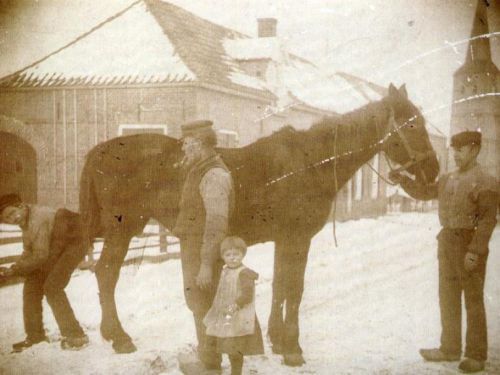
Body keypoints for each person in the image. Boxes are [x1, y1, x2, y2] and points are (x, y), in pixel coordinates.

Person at [389, 130, 498, 373]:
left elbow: (488, 221)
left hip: (469, 243)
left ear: (475, 149)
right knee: (447, 296)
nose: (456, 154)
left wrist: (475, 251)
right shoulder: (448, 179)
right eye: (454, 149)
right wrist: (403, 179)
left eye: (461, 149)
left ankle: (476, 354)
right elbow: (425, 192)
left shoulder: (487, 182)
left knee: (473, 299)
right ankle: (449, 348)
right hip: (447, 241)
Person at [172, 120, 234, 372]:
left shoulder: (214, 175)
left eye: (187, 145)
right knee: (199, 304)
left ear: (199, 144)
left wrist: (207, 264)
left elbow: (217, 223)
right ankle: (208, 359)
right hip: (195, 250)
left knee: (205, 305)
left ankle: (210, 366)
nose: (184, 150)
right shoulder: (200, 169)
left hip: (203, 252)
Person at [0, 193, 89, 352]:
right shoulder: (26, 222)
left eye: (12, 213)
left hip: (73, 242)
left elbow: (40, 255)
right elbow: (29, 252)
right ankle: (35, 336)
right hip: (55, 248)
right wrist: (13, 269)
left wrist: (15, 270)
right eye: (7, 219)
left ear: (21, 206)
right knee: (32, 286)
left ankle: (76, 336)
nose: (12, 219)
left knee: (52, 287)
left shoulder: (38, 218)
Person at [203, 236, 264, 375]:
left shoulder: (244, 273)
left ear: (242, 254)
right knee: (227, 345)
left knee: (236, 348)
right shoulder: (225, 271)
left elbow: (247, 295)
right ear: (223, 256)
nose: (232, 258)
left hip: (238, 316)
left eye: (236, 254)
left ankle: (236, 372)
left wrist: (235, 306)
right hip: (226, 315)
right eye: (228, 255)